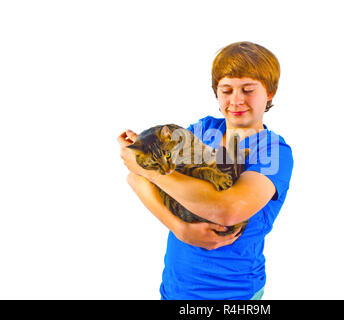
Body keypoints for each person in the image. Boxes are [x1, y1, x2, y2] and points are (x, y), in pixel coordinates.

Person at [117, 41, 293, 300]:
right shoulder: (202, 129)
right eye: (226, 90)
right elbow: (135, 178)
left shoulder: (272, 151)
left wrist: (151, 171)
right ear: (216, 93)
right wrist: (179, 228)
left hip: (234, 293)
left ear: (270, 92)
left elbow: (228, 210)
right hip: (177, 287)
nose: (236, 100)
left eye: (248, 89)